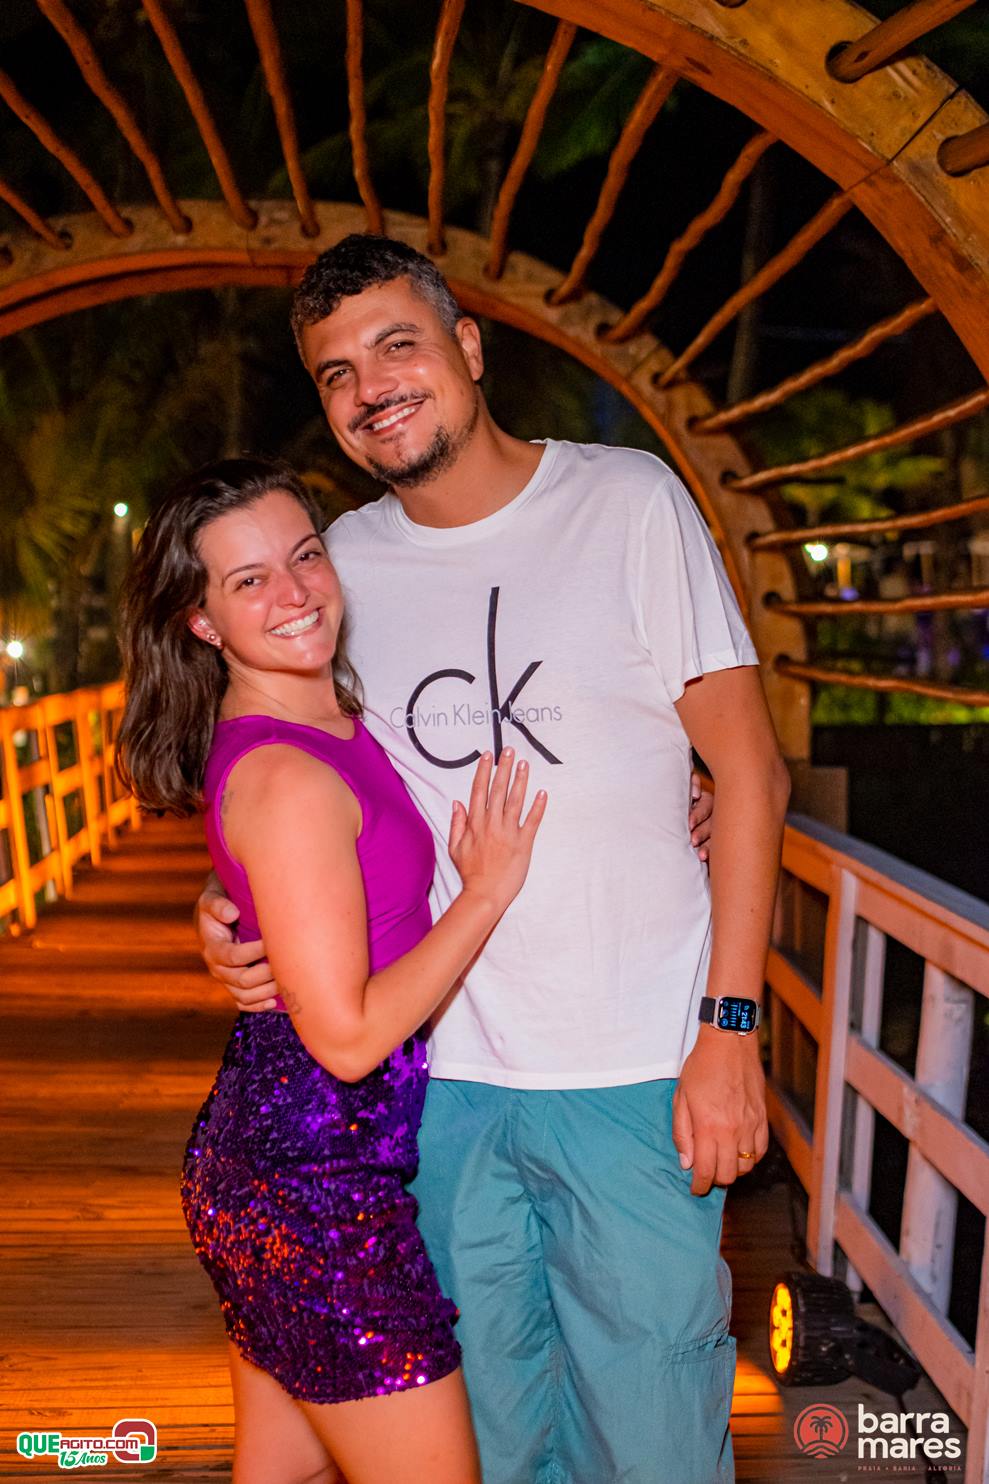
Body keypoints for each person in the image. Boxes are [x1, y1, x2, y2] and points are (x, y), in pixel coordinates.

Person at [199, 235, 792, 1484]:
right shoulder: (337, 566)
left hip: (633, 1067)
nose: (371, 387)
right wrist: (229, 905)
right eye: (336, 372)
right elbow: (298, 780)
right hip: (435, 1088)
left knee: (654, 1436)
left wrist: (728, 1028)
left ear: (467, 348)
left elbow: (748, 772)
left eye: (397, 346)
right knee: (488, 1443)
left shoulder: (626, 502)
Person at [117, 457, 547, 1484]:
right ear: (202, 620)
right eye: (249, 580)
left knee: (287, 1471)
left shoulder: (331, 720)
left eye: (304, 555)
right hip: (312, 1188)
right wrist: (485, 890)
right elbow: (347, 1039)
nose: (295, 591)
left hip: (287, 1164)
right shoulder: (285, 774)